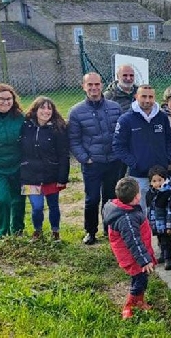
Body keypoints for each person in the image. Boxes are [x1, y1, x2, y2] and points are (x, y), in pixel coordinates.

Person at [68, 73, 123, 245]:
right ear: (83, 86)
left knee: (110, 197)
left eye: (97, 84)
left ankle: (109, 229)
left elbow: (121, 134)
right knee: (92, 199)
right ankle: (90, 231)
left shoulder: (115, 107)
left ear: (101, 85)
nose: (94, 88)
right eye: (90, 85)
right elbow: (74, 140)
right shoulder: (76, 111)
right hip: (92, 163)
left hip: (113, 161)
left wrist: (119, 153)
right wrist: (85, 158)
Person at [113, 84, 171, 211]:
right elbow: (118, 146)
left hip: (161, 175)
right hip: (139, 175)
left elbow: (169, 139)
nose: (147, 100)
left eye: (150, 97)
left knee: (161, 207)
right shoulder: (126, 119)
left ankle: (159, 231)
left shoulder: (162, 117)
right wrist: (135, 163)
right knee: (141, 209)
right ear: (136, 97)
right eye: (143, 96)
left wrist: (166, 159)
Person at [102, 177, 156, 319]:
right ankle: (129, 305)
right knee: (139, 280)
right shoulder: (127, 219)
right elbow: (134, 242)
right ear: (137, 196)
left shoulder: (122, 208)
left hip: (134, 255)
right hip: (133, 257)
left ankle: (139, 301)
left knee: (140, 278)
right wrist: (144, 260)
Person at [20, 96, 70, 241]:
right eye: (42, 107)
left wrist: (62, 178)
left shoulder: (58, 129)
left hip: (51, 176)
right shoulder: (25, 126)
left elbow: (63, 155)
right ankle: (37, 231)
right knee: (36, 207)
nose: (46, 111)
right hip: (29, 176)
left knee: (53, 205)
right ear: (35, 110)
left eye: (49, 108)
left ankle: (55, 232)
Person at [0, 83, 25, 238]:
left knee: (19, 200)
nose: (5, 102)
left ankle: (18, 231)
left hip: (18, 166)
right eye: (1, 99)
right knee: (1, 200)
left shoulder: (19, 118)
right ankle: (1, 233)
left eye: (9, 99)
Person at [145, 165, 171, 270]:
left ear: (165, 179)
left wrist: (170, 226)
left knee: (166, 240)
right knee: (160, 239)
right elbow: (149, 209)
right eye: (154, 181)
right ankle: (163, 254)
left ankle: (168, 258)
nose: (157, 183)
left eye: (160, 180)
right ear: (150, 182)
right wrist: (150, 223)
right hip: (155, 223)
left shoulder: (168, 193)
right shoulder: (149, 194)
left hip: (165, 223)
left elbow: (170, 211)